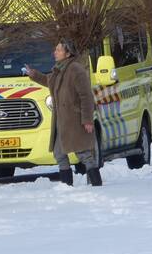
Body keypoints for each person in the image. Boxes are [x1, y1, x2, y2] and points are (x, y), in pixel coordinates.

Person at [24, 40, 101, 186]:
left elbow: (86, 96)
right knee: (59, 153)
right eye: (55, 49)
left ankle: (96, 184)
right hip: (62, 121)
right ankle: (67, 187)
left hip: (75, 120)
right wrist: (33, 74)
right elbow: (48, 81)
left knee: (83, 154)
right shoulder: (59, 69)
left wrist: (87, 120)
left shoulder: (76, 69)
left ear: (67, 53)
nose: (55, 52)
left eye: (58, 50)